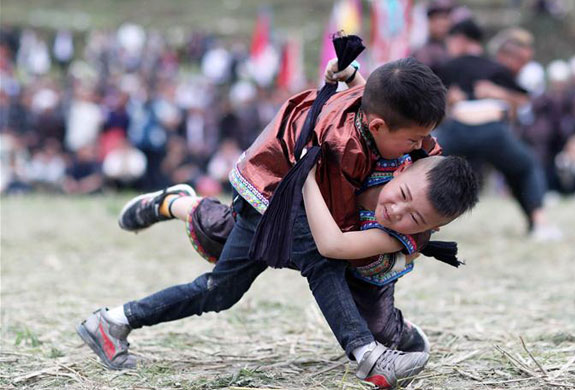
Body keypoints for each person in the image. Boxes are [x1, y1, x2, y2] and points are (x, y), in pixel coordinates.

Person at [76, 57, 448, 389]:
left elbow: (368, 94)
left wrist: (352, 75)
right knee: (322, 262)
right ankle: (368, 356)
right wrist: (389, 246)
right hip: (277, 194)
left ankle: (114, 315)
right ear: (379, 125)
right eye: (413, 139)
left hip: (293, 187)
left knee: (219, 286)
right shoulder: (341, 148)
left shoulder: (372, 110)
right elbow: (332, 241)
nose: (419, 146)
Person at [434, 19, 561, 240]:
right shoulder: (496, 68)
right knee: (526, 167)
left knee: (423, 167)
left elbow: (430, 101)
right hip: (493, 131)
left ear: (459, 41)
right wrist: (499, 94)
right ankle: (540, 222)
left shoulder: (448, 67)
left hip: (457, 129)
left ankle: (409, 225)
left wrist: (450, 99)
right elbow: (524, 100)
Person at [303, 155, 479, 285]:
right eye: (403, 194)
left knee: (382, 329)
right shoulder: (382, 158)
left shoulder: (393, 238)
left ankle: (406, 332)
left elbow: (332, 246)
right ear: (402, 169)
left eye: (414, 217)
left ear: (433, 228)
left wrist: (306, 178)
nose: (396, 211)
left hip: (368, 276)